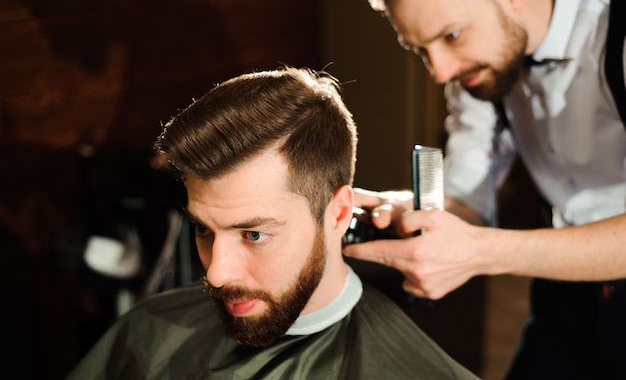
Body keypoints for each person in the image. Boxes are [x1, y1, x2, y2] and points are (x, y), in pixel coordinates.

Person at [65, 67, 478, 379]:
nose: (216, 272)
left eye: (254, 234)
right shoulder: (148, 329)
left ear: (337, 214)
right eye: (204, 229)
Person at [342, 0, 626, 378]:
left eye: (451, 35)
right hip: (563, 280)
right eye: (421, 49)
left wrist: (483, 251)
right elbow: (468, 191)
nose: (440, 71)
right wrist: (419, 213)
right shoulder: (476, 66)